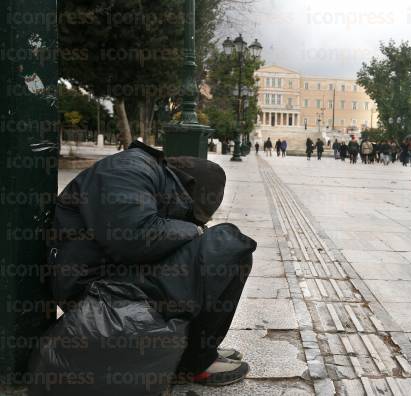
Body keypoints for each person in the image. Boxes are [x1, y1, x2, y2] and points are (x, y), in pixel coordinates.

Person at [48, 140, 257, 387]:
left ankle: (197, 350)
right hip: (94, 291)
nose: (192, 221)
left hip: (111, 277)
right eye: (193, 213)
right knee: (229, 247)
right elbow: (134, 237)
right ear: (186, 187)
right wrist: (194, 229)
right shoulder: (127, 171)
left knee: (222, 253)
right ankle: (195, 363)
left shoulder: (145, 174)